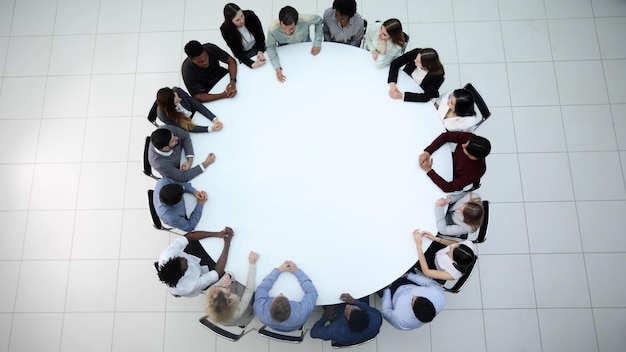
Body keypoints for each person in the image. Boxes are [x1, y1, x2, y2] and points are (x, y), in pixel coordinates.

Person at [154, 227, 234, 297]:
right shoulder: (189, 285)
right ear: (183, 274)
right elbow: (217, 272)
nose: (184, 258)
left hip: (193, 255)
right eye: (185, 263)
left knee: (199, 239)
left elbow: (188, 237)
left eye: (180, 258)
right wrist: (227, 243)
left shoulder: (167, 254)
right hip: (201, 274)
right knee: (229, 264)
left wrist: (217, 234)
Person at [253, 260, 318, 332]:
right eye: (284, 297)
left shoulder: (260, 309)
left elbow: (262, 288)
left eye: (277, 297)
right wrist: (297, 271)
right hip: (293, 326)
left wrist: (278, 270)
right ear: (290, 307)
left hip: (274, 325)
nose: (281, 294)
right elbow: (312, 292)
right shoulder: (301, 313)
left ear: (270, 307)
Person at [419, 131, 491, 193]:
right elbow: (446, 136)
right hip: (444, 159)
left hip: (447, 176)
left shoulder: (476, 172)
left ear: (473, 157)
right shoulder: (469, 137)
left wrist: (429, 170)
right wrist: (428, 152)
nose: (463, 145)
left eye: (465, 149)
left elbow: (448, 187)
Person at [266, 6, 323, 82]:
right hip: (287, 53)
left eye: (291, 29)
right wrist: (277, 66)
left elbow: (319, 21)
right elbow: (270, 47)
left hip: (305, 48)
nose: (288, 33)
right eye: (284, 29)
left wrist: (317, 42)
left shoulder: (305, 19)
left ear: (297, 22)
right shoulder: (273, 29)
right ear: (280, 23)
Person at [205, 251, 259, 327]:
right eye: (228, 291)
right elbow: (249, 289)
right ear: (230, 302)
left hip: (226, 313)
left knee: (238, 276)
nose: (227, 287)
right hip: (244, 316)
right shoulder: (237, 312)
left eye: (222, 287)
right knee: (246, 282)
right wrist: (252, 264)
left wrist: (228, 276)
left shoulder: (211, 292)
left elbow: (229, 274)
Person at [148, 125, 216, 182]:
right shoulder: (160, 164)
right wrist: (205, 163)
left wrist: (190, 159)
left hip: (184, 158)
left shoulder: (165, 129)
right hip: (179, 172)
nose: (177, 138)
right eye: (173, 141)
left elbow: (185, 135)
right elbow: (182, 177)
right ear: (165, 148)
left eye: (174, 135)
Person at [380, 271, 445, 331]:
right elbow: (428, 282)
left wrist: (387, 288)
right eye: (419, 296)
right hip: (410, 282)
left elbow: (386, 311)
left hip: (392, 293)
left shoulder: (401, 321)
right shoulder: (439, 296)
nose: (413, 296)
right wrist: (408, 275)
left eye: (412, 301)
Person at [310, 293, 382, 345]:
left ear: (346, 320)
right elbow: (367, 307)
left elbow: (313, 332)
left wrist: (325, 317)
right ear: (363, 311)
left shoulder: (336, 331)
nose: (347, 305)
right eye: (352, 307)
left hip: (337, 311)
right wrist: (354, 301)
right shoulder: (376, 318)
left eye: (346, 310)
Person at [156, 87, 223, 133]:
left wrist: (213, 118)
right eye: (177, 102)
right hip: (189, 125)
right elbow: (186, 127)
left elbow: (196, 104)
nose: (180, 99)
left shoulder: (177, 90)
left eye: (178, 96)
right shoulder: (163, 115)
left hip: (196, 114)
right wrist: (210, 129)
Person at [220, 3, 267, 69]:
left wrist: (260, 50)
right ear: (230, 21)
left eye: (242, 16)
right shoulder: (225, 30)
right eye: (237, 20)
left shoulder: (250, 15)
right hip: (244, 53)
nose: (242, 21)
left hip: (258, 45)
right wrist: (251, 64)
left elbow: (260, 36)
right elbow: (236, 51)